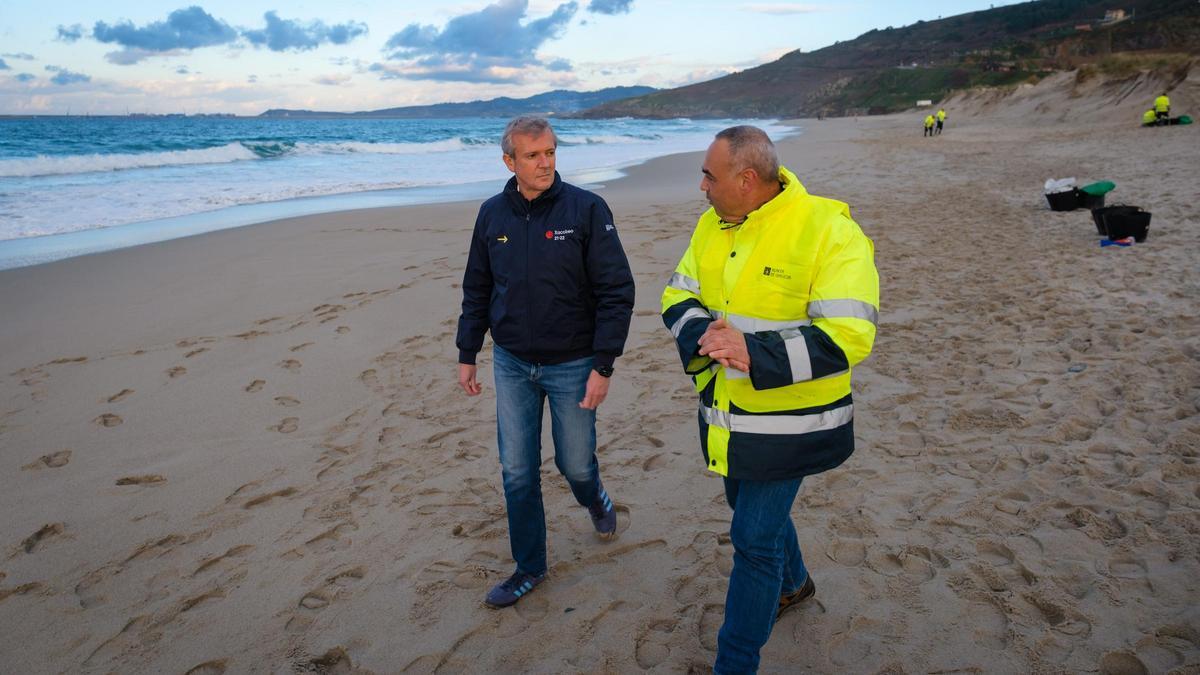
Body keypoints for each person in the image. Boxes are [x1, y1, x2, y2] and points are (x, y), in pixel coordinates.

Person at [661, 125, 879, 673]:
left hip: (794, 424)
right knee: (751, 513)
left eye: (710, 176)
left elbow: (850, 336)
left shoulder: (829, 228)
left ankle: (733, 664)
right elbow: (679, 291)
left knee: (753, 539)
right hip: (727, 417)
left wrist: (752, 352)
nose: (702, 186)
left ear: (747, 179)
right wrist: (701, 337)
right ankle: (796, 583)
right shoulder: (711, 225)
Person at [456, 116, 635, 608]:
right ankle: (529, 567)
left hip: (573, 364)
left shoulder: (587, 208)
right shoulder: (492, 215)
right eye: (533, 155)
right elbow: (478, 287)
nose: (546, 162)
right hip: (512, 363)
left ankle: (594, 496)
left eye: (550, 152)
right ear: (509, 161)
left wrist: (604, 365)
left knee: (575, 465)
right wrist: (467, 352)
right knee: (517, 471)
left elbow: (617, 291)